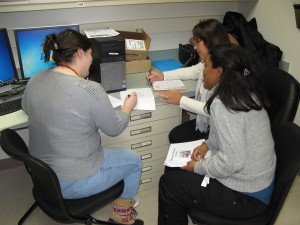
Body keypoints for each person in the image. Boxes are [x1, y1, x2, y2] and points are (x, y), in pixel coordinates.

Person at [21, 29, 143, 225]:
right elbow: (115, 128)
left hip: (43, 178)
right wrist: (127, 107)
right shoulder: (89, 89)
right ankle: (122, 218)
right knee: (134, 161)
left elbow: (26, 107)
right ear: (80, 53)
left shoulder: (36, 78)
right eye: (90, 54)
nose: (91, 60)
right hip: (74, 182)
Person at [158, 44, 276, 225]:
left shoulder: (225, 104)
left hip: (246, 196)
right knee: (176, 177)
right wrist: (207, 145)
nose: (203, 71)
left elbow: (232, 161)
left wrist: (198, 168)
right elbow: (225, 135)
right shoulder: (243, 90)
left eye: (206, 66)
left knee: (169, 185)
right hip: (257, 182)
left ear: (219, 71)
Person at [146, 19, 233, 144]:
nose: (195, 47)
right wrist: (162, 76)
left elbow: (214, 110)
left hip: (221, 133)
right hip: (209, 124)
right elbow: (191, 72)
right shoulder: (209, 62)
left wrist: (181, 100)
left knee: (176, 137)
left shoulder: (225, 70)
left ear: (211, 42)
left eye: (197, 42)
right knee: (176, 135)